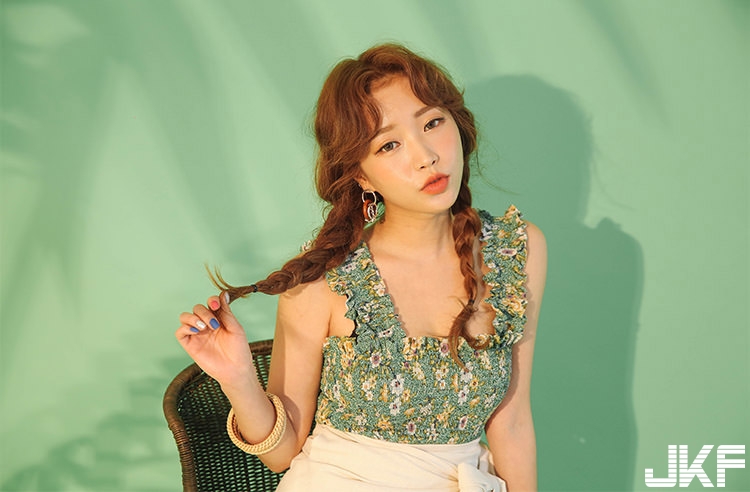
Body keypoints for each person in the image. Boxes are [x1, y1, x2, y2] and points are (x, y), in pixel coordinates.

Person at [176, 43, 547, 492]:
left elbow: (512, 422)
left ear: (458, 125)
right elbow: (282, 454)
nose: (426, 155)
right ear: (361, 175)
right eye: (389, 144)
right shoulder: (324, 278)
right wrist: (238, 379)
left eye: (432, 122)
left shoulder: (514, 249)